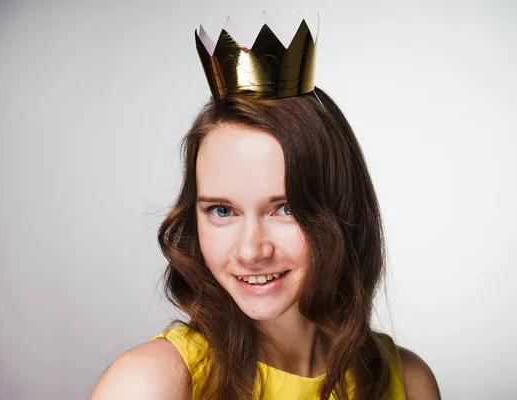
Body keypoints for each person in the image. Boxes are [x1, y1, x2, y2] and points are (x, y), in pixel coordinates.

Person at [91, 15, 440, 400]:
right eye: (222, 211)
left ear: (343, 211)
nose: (251, 250)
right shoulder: (151, 383)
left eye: (285, 208)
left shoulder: (408, 382)